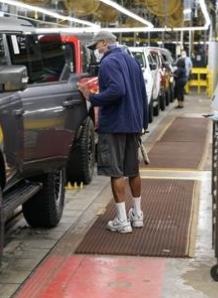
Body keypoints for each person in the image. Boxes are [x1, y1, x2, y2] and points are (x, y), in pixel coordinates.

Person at [78, 30, 149, 234]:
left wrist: (91, 96)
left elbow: (117, 91)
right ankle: (137, 215)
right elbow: (142, 94)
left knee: (116, 171)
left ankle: (121, 220)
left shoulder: (108, 63)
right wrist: (143, 122)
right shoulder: (132, 61)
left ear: (104, 43)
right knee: (133, 170)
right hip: (133, 124)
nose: (96, 51)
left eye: (96, 47)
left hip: (116, 124)